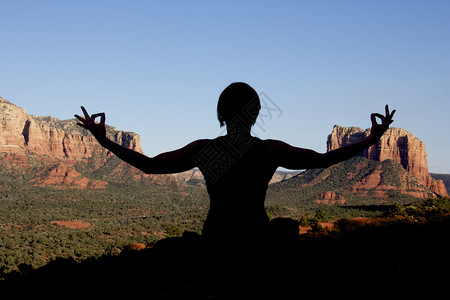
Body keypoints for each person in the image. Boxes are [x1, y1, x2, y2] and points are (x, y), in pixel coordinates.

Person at [75, 82, 395, 242]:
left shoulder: (205, 150)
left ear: (221, 114)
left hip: (217, 238)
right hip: (256, 238)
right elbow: (324, 160)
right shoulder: (268, 150)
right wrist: (370, 139)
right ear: (255, 114)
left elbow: (149, 165)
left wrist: (103, 140)